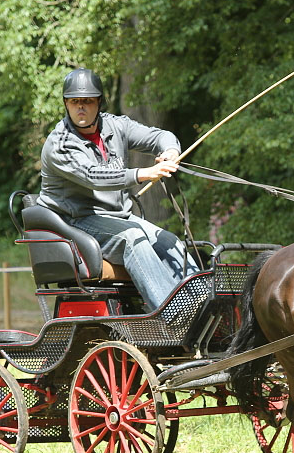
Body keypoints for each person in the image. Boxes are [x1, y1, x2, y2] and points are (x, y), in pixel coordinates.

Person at [38, 67, 197, 313]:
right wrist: (142, 174)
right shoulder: (59, 144)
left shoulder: (116, 126)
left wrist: (170, 152)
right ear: (66, 104)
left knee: (169, 240)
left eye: (87, 102)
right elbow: (93, 176)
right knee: (133, 239)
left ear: (99, 103)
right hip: (75, 221)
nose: (81, 108)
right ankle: (174, 314)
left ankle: (200, 306)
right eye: (74, 102)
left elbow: (159, 136)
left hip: (117, 217)